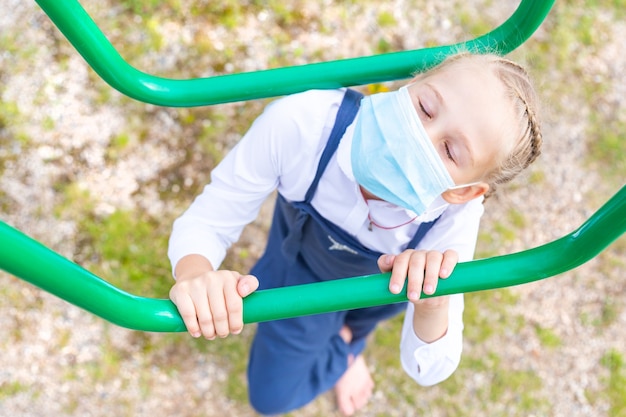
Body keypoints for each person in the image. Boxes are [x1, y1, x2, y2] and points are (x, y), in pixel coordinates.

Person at [167, 52, 542, 416]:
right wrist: (195, 273)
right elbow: (212, 217)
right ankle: (344, 349)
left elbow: (428, 366)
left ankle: (350, 337)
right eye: (426, 108)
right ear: (412, 83)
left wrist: (433, 304)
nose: (419, 136)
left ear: (463, 191)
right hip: (300, 275)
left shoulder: (454, 219)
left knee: (363, 318)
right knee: (270, 398)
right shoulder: (305, 126)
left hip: (382, 293)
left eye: (450, 151)